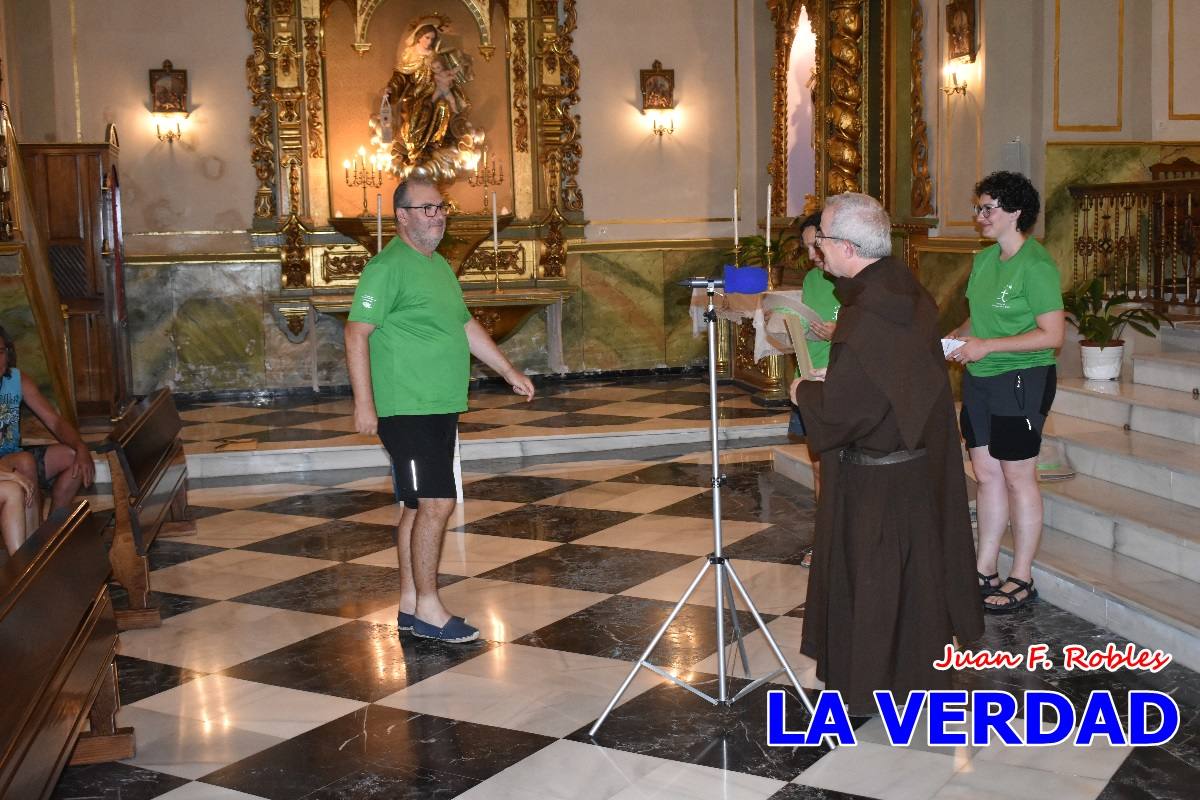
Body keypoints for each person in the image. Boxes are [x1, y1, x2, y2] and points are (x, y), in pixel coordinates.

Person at [791, 192, 983, 715]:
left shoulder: (865, 315)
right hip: (914, 469)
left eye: (822, 242)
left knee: (872, 587)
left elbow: (851, 411)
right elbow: (894, 383)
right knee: (912, 587)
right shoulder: (910, 294)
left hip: (874, 481)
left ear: (849, 248)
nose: (817, 252)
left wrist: (806, 392)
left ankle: (866, 689)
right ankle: (913, 680)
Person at [345, 175, 535, 644]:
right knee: (437, 504)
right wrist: (365, 405)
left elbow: (463, 323)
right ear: (403, 216)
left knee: (415, 506)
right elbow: (356, 333)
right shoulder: (387, 267)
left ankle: (411, 604)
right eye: (427, 209)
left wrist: (507, 370)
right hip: (405, 407)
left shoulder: (438, 266)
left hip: (437, 405)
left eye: (441, 208)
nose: (438, 216)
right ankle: (430, 608)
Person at [946, 171, 1065, 613]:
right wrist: (954, 340)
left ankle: (1023, 575)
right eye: (978, 208)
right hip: (981, 379)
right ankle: (985, 567)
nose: (980, 217)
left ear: (1015, 212)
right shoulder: (984, 261)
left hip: (1023, 378)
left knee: (1018, 476)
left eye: (987, 208)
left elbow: (1052, 336)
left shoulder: (1036, 265)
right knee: (986, 473)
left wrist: (987, 346)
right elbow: (977, 320)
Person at [0, 324, 96, 542]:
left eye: (0, 352)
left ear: (8, 353)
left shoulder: (17, 380)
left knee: (74, 460)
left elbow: (53, 420)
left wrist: (81, 446)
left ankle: (53, 532)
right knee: (25, 461)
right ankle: (32, 544)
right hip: (6, 465)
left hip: (11, 453)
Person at [787, 212, 840, 569]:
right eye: (807, 249)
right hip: (810, 377)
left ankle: (844, 541)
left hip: (843, 381)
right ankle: (824, 540)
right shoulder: (811, 278)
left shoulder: (859, 277)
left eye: (816, 247)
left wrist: (843, 329)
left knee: (844, 470)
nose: (811, 257)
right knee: (820, 468)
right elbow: (807, 320)